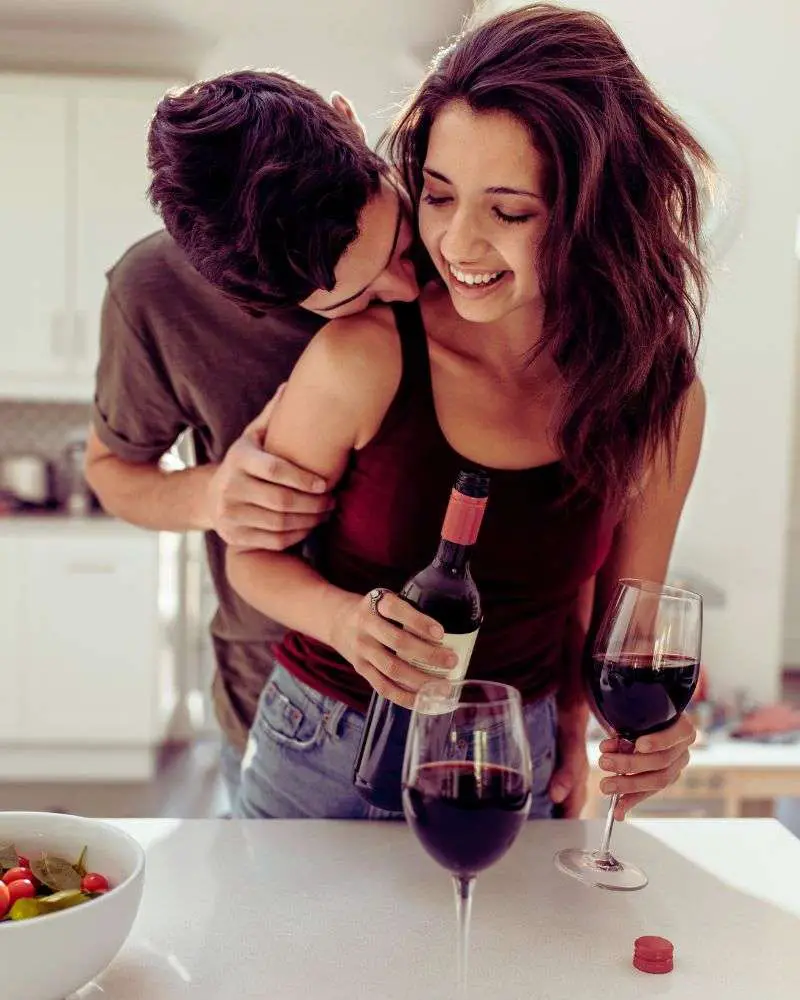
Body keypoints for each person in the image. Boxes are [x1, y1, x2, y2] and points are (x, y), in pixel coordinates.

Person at [225, 3, 709, 821]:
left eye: (510, 211)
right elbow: (250, 559)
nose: (457, 244)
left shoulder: (656, 394)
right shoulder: (367, 354)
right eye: (439, 195)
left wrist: (634, 731)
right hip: (325, 747)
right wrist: (347, 621)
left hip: (506, 756)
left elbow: (625, 626)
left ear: (596, 213)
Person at [84, 70, 419, 810]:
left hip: (472, 699)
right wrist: (214, 495)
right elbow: (111, 473)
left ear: (349, 120)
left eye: (398, 243)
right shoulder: (154, 294)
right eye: (355, 299)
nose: (408, 288)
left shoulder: (449, 200)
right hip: (273, 700)